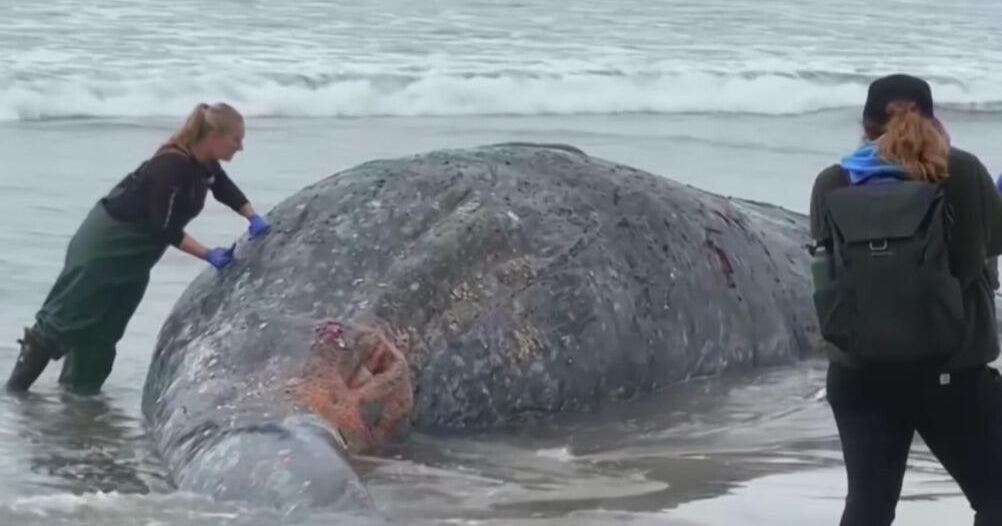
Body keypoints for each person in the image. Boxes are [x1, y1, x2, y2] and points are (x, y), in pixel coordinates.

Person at [809, 74, 1002, 525]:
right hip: (951, 376)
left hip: (858, 375)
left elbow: (826, 269)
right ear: (935, 121)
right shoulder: (960, 172)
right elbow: (984, 250)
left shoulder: (832, 182)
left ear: (864, 124)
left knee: (869, 506)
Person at [6, 102, 271, 394]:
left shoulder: (205, 166)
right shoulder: (171, 165)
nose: (240, 147)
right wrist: (208, 254)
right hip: (105, 247)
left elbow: (224, 189)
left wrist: (252, 217)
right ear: (214, 136)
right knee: (63, 321)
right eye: (236, 138)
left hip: (137, 259)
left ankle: (79, 408)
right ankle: (14, 396)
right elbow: (164, 226)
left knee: (104, 334)